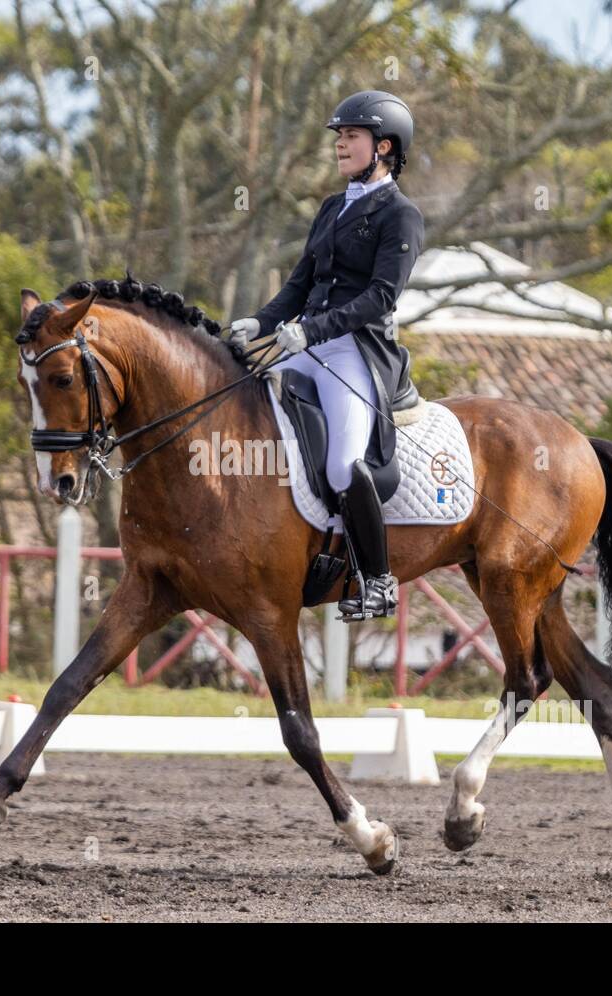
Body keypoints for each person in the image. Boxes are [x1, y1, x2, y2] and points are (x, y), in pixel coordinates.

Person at [228, 89, 425, 621]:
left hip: (355, 352)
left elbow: (381, 297)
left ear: (384, 147)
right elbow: (300, 281)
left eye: (351, 136)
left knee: (343, 463)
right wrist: (262, 321)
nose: (340, 145)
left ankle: (377, 580)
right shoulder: (332, 206)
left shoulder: (401, 216)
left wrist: (311, 331)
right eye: (339, 137)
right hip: (303, 341)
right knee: (241, 415)